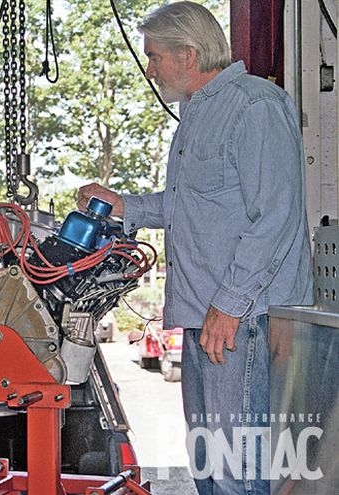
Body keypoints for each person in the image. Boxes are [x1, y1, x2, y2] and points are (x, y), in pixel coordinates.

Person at [77, 2, 312, 494]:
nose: (150, 68)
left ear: (187, 55)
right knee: (209, 461)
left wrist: (228, 305)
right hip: (209, 317)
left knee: (236, 470)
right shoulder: (197, 116)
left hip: (242, 319)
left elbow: (275, 216)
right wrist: (123, 205)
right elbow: (188, 204)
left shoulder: (255, 106)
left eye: (155, 56)